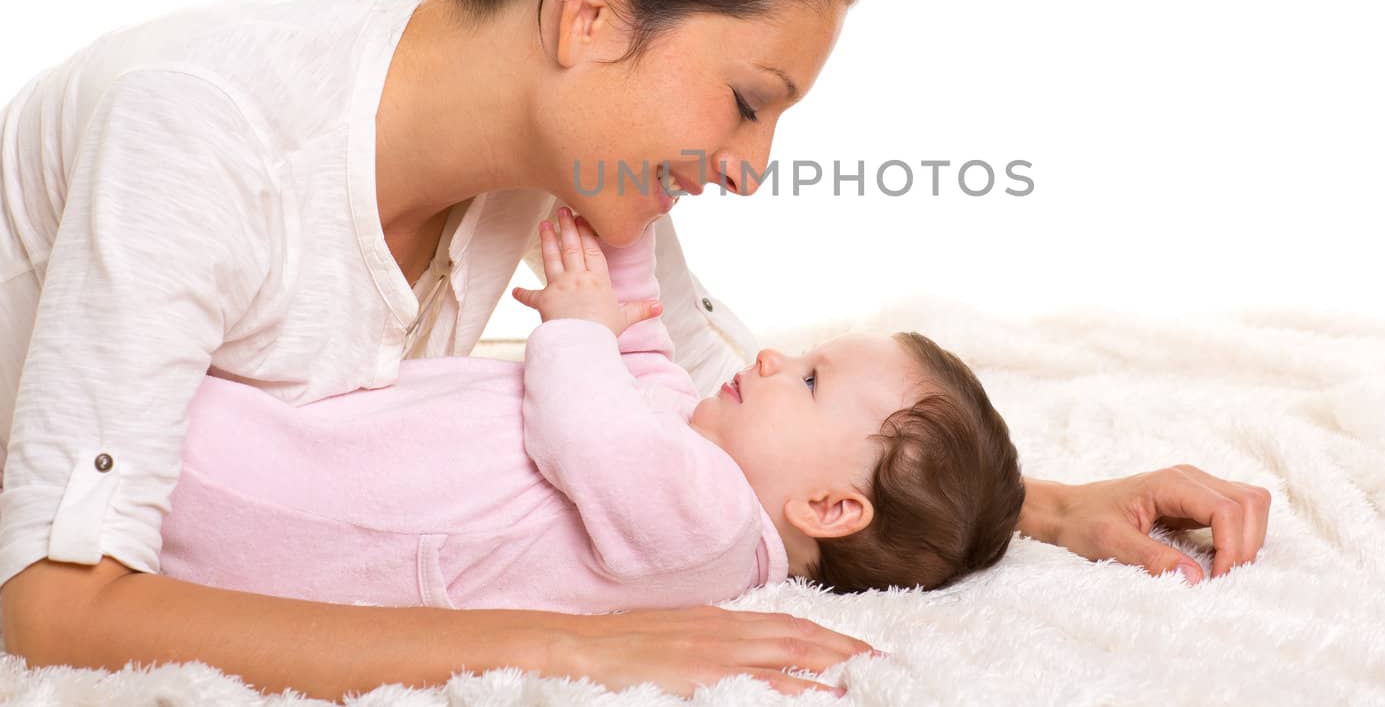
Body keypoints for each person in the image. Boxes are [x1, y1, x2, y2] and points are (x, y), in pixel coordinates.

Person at [0, 0, 1271, 700]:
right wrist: (567, 645)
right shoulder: (203, 132)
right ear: (594, 8)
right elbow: (55, 605)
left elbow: (715, 422)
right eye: (745, 99)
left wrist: (1046, 508)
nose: (751, 165)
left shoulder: (576, 158)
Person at [157, 207, 1026, 616]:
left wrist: (577, 321)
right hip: (324, 443)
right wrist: (624, 212)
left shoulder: (714, 534)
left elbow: (590, 430)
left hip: (303, 510)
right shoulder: (693, 457)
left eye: (805, 381)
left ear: (828, 509)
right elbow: (642, 347)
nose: (769, 357)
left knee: (157, 428)